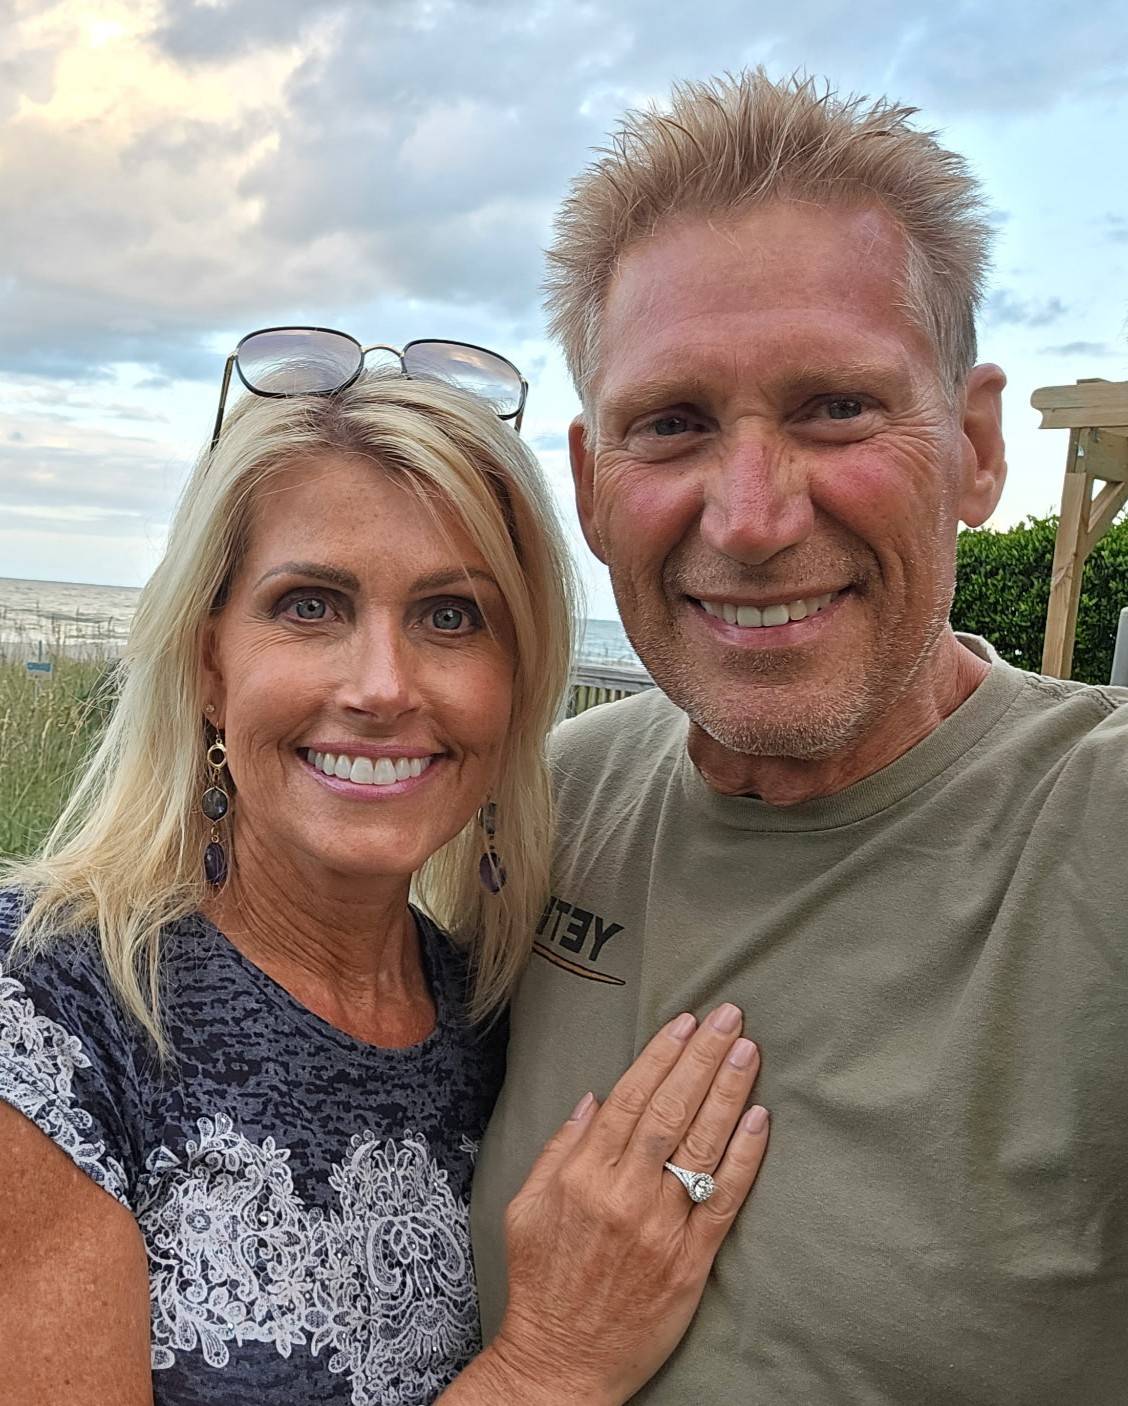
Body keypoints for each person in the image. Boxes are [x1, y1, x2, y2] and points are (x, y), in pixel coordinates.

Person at [471, 71, 1128, 1404]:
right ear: (594, 490)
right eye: (675, 423)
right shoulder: (552, 802)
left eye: (836, 405)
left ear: (978, 447)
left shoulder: (1096, 829)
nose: (756, 515)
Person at [0, 349, 772, 1405]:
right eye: (310, 605)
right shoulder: (49, 1004)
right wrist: (549, 1369)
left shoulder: (500, 1016)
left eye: (451, 615)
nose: (381, 685)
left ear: (517, 686)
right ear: (211, 662)